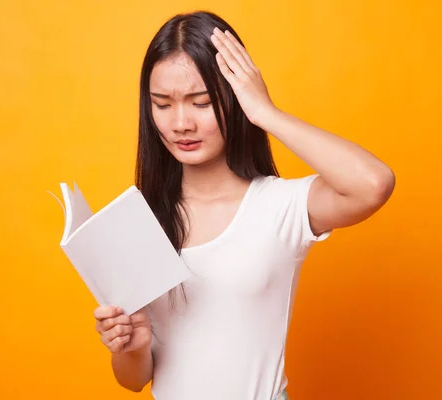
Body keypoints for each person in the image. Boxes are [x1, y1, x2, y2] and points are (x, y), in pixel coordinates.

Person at [93, 10, 395, 400]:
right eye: (162, 104)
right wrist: (131, 346)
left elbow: (373, 184)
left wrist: (266, 113)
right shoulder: (139, 222)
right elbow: (133, 379)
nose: (180, 122)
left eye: (201, 102)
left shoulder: (278, 206)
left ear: (236, 101)